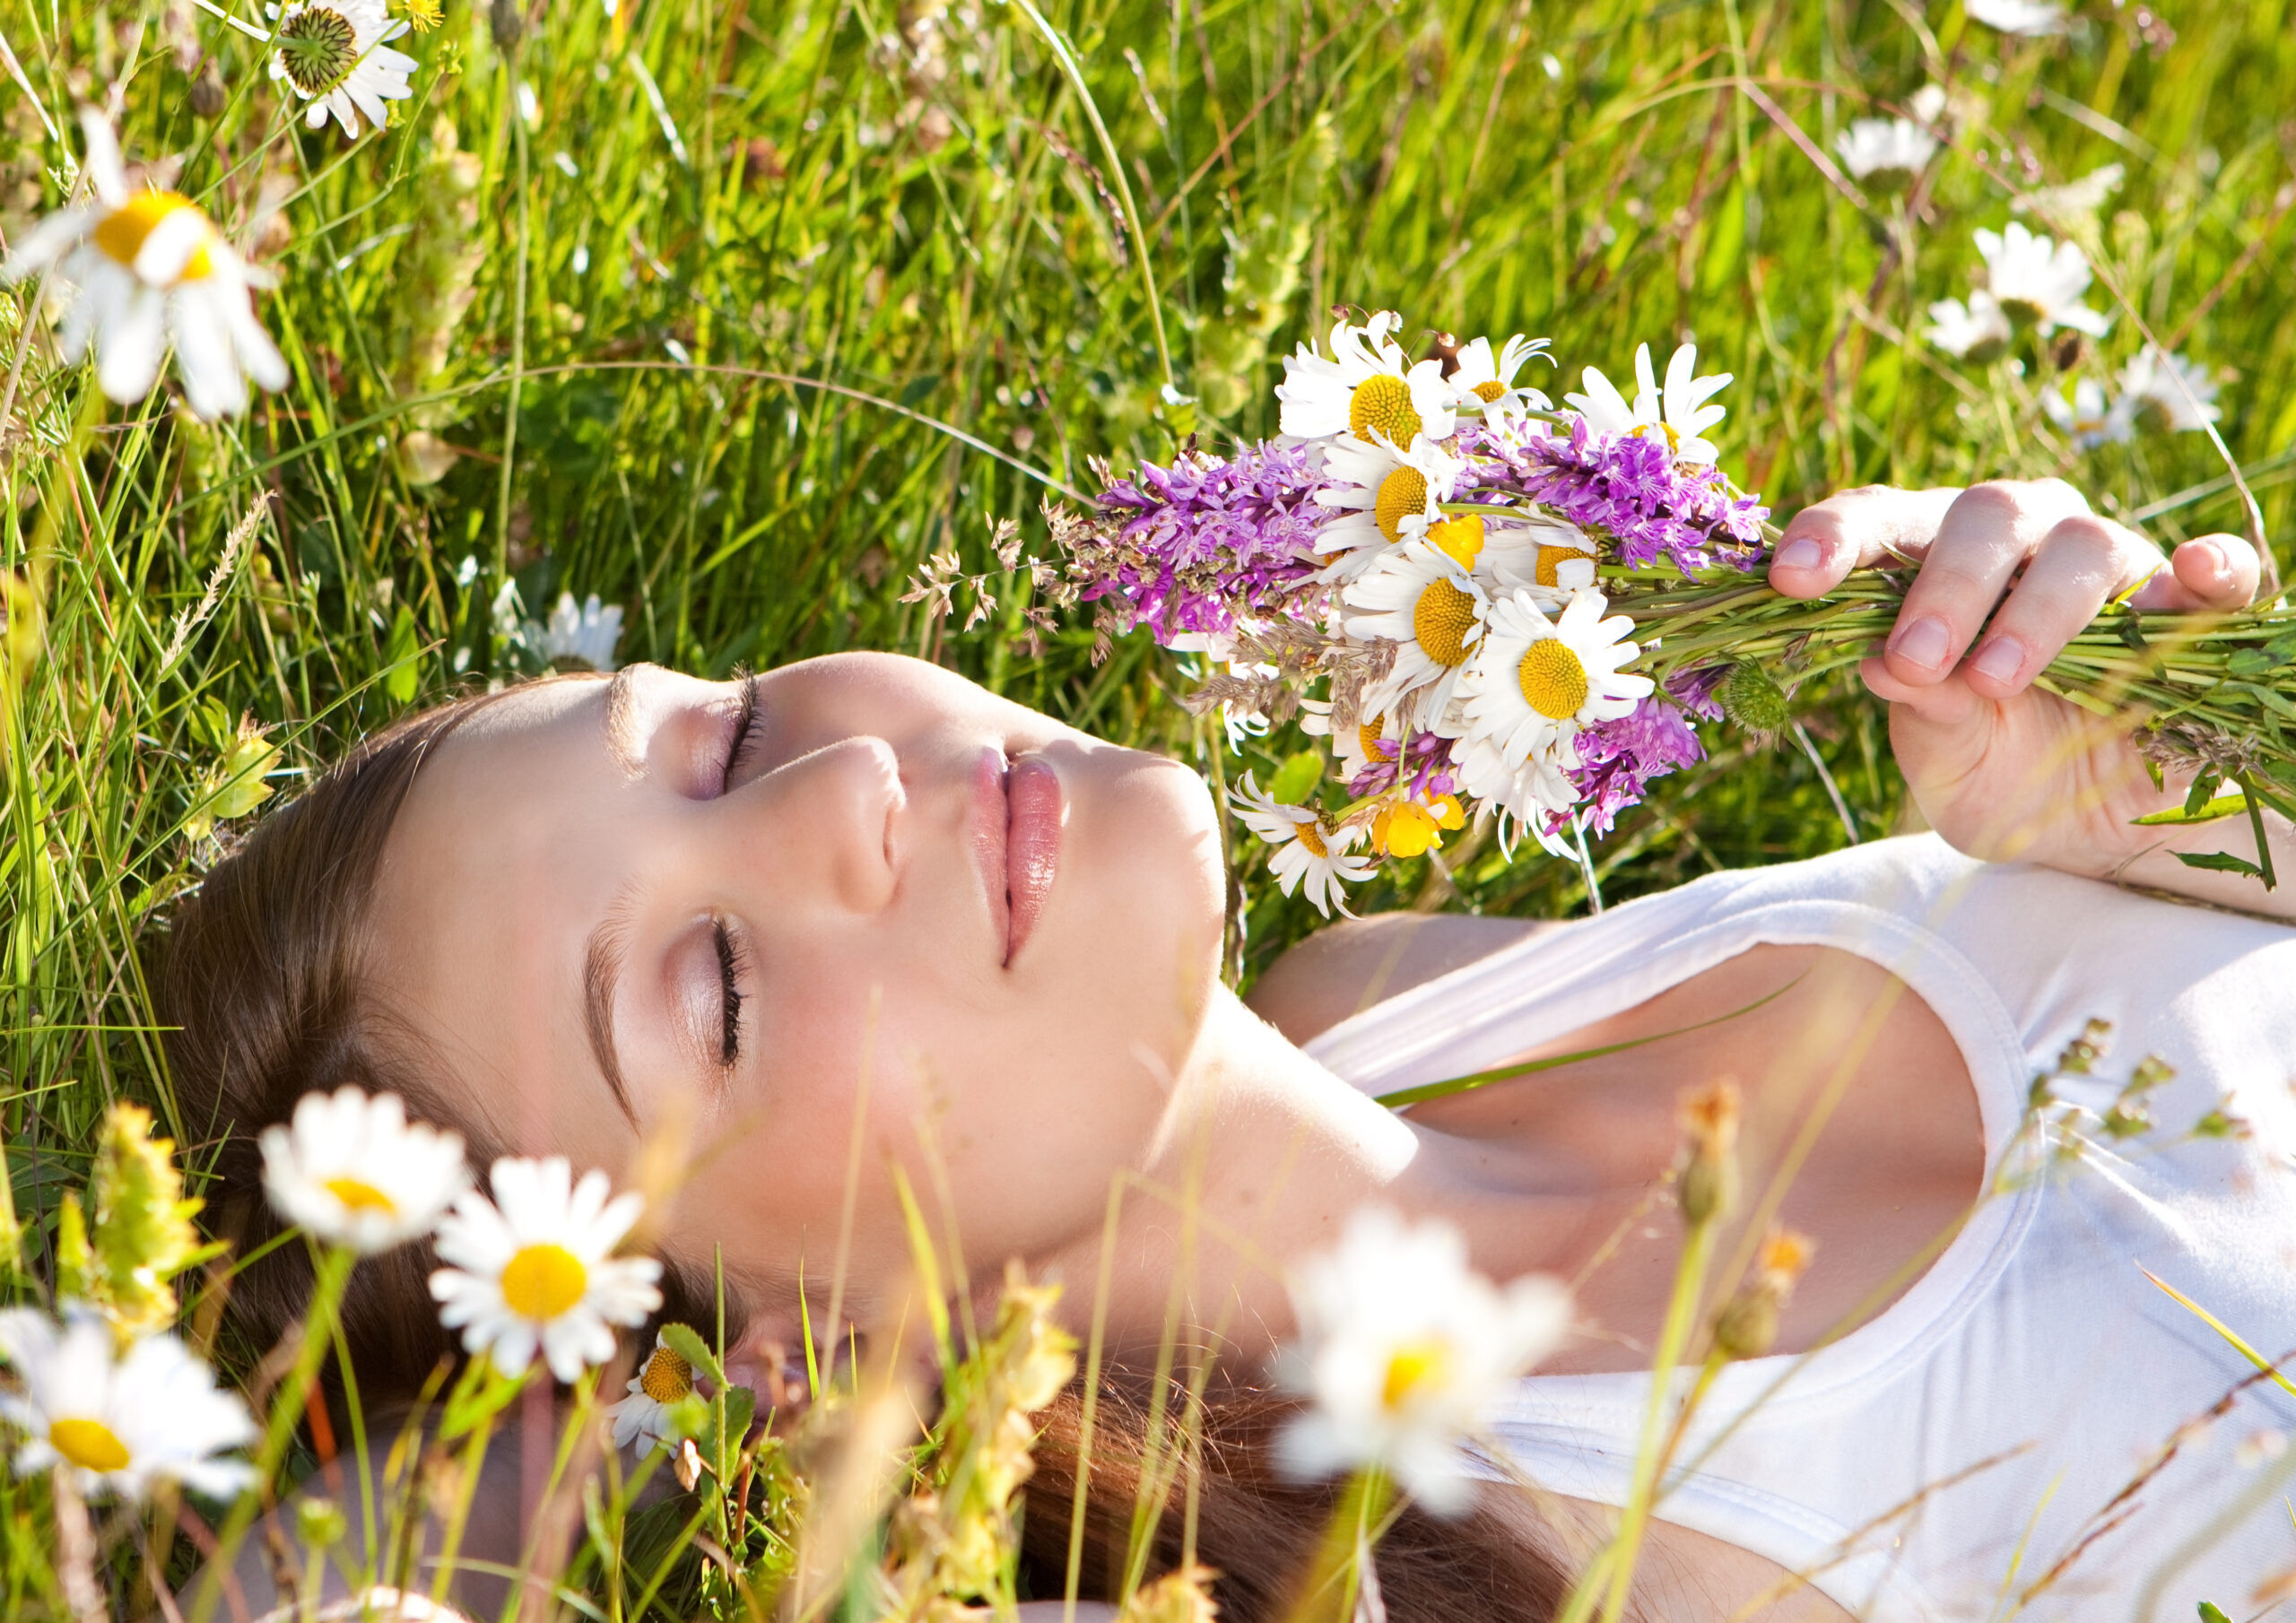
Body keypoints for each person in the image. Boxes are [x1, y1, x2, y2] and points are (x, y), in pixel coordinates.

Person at [160, 480, 2296, 1623]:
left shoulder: (1408, 991)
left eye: (707, 729)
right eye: (708, 990)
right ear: (776, 1340)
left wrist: (2183, 783)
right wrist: (570, 1450)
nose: (837, 792)